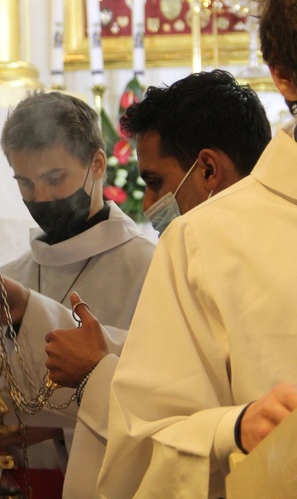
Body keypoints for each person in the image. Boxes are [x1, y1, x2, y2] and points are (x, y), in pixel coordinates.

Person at [98, 4, 297, 496]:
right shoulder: (200, 240)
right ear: (285, 76)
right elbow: (140, 451)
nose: (149, 205)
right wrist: (235, 429)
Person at [44, 70, 272, 498]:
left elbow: (184, 429)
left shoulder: (194, 249)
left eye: (155, 182)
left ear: (208, 169)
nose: (148, 203)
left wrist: (94, 372)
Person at [0, 91, 156, 498]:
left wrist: (52, 434)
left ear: (97, 164)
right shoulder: (9, 278)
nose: (41, 198)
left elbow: (157, 401)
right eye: (25, 182)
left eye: (55, 179)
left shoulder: (148, 269)